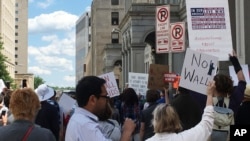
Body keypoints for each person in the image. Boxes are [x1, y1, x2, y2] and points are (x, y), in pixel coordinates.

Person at [65, 76, 135, 141]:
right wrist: (127, 132)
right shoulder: (86, 126)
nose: (107, 100)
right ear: (93, 99)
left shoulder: (79, 119)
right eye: (105, 97)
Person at [146, 81, 215, 141]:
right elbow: (206, 124)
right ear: (175, 120)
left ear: (154, 122)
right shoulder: (184, 138)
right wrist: (209, 95)